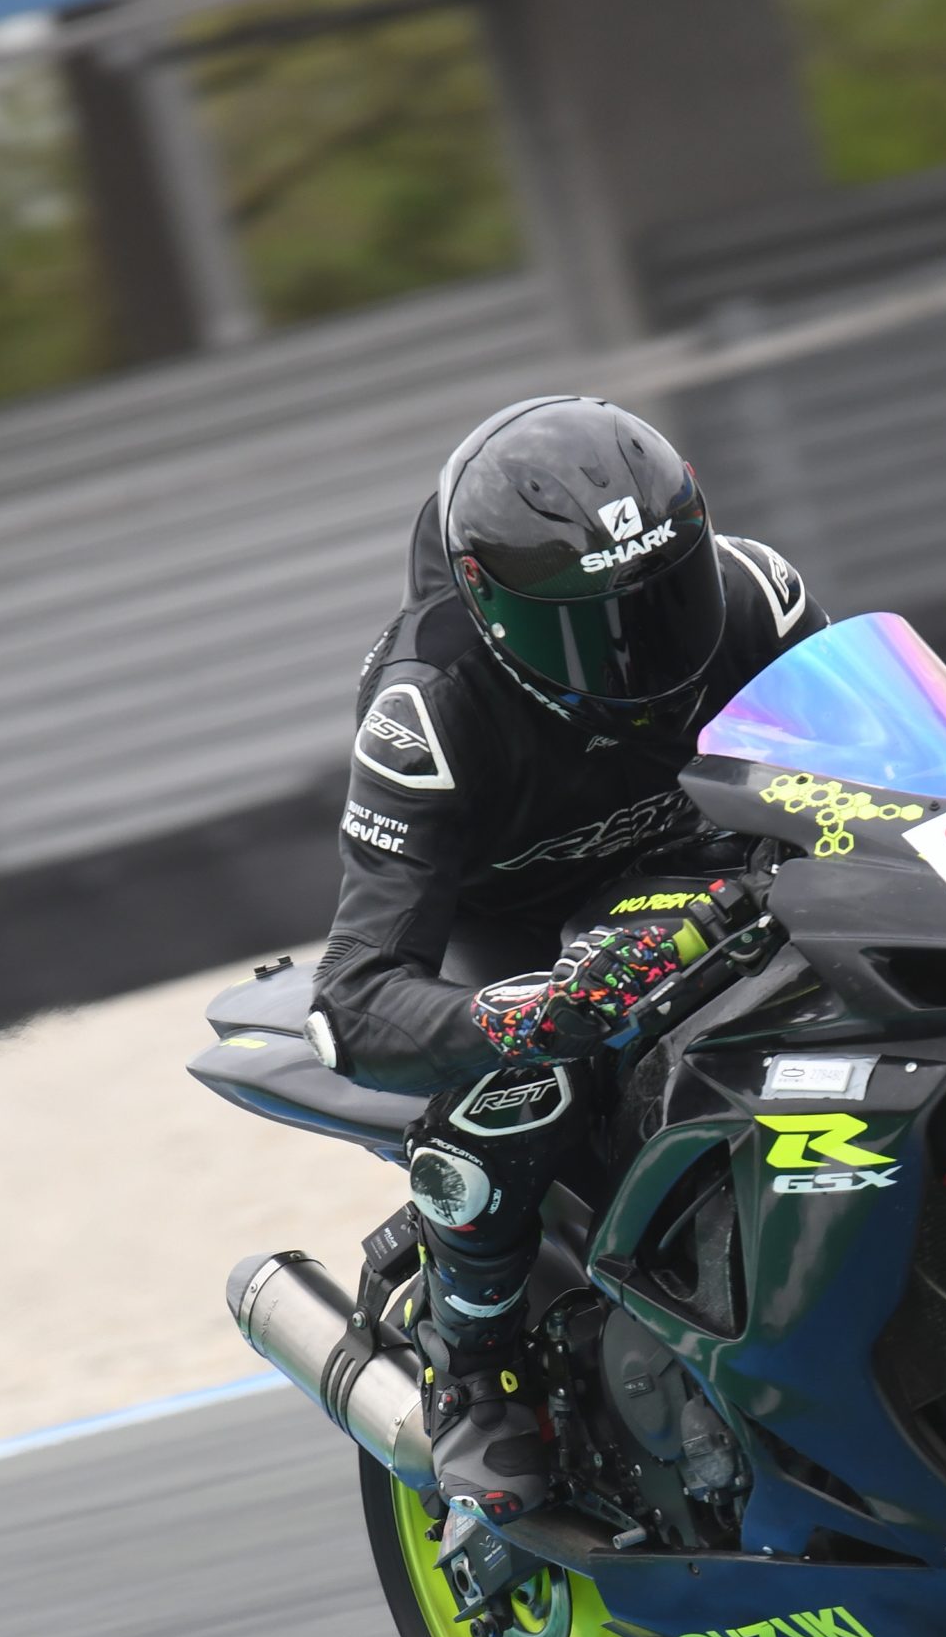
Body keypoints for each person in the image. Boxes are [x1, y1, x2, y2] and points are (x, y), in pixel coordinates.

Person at [306, 394, 826, 1542]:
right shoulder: (426, 708)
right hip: (526, 935)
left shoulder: (760, 595)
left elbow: (876, 760)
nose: (640, 650)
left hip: (715, 869)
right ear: (489, 606)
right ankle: (473, 1368)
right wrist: (528, 1011)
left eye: (663, 599)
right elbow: (352, 997)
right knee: (533, 1079)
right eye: (591, 628)